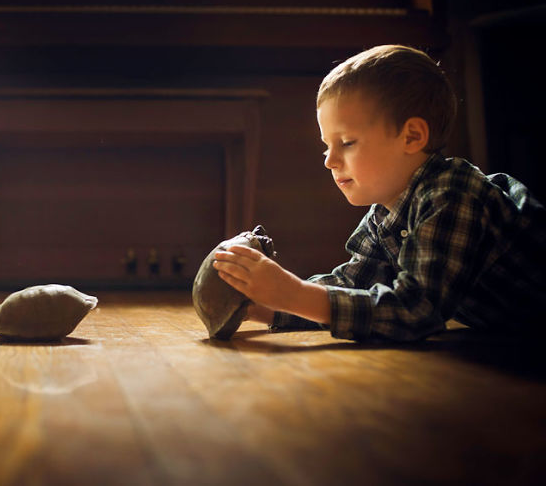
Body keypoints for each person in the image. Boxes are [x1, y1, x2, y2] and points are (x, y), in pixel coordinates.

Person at [212, 44, 546, 341]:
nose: (329, 160)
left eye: (347, 143)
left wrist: (294, 294)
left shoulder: (453, 195)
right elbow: (353, 285)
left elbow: (416, 310)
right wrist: (269, 307)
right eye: (326, 145)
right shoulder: (385, 214)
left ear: (411, 137)